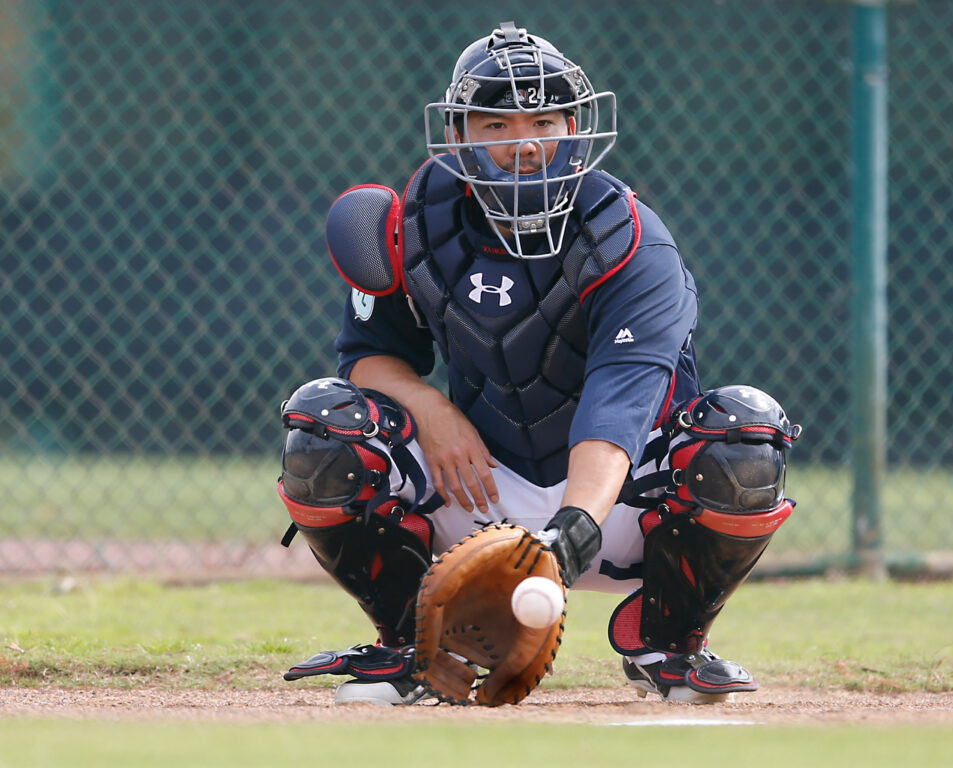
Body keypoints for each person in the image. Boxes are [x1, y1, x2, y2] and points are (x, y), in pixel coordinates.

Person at [276, 21, 799, 706]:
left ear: (574, 128)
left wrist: (574, 528)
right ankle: (417, 648)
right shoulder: (418, 220)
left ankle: (669, 644)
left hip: (623, 498)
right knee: (325, 424)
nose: (524, 144)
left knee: (744, 434)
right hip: (481, 484)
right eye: (497, 125)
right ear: (458, 134)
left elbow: (620, 401)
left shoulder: (628, 239)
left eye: (544, 121)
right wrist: (432, 411)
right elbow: (367, 360)